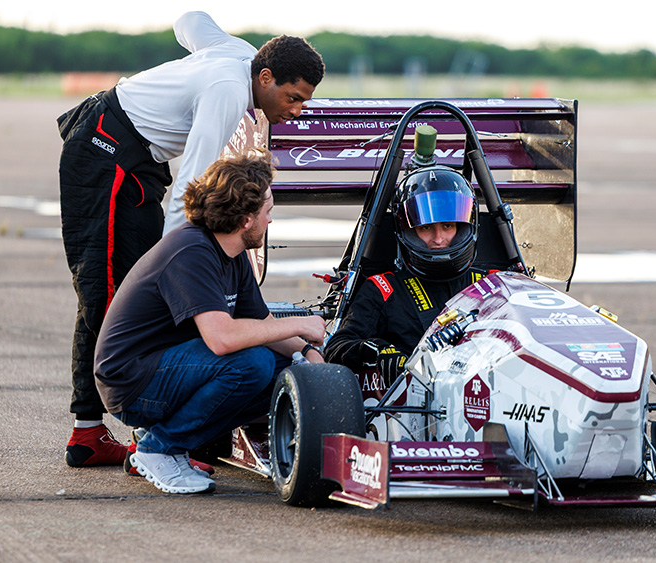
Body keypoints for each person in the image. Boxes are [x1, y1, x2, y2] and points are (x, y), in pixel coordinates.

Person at [58, 11, 324, 468]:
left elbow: (191, 20)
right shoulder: (228, 92)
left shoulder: (239, 54)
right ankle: (90, 432)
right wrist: (179, 266)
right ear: (265, 77)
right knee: (103, 289)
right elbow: (189, 191)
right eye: (293, 97)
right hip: (103, 153)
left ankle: (154, 425)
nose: (297, 110)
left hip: (139, 162)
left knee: (134, 291)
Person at [94, 151, 326, 494]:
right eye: (268, 212)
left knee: (283, 370)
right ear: (246, 219)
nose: (270, 222)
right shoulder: (192, 252)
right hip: (131, 383)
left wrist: (308, 354)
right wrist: (298, 324)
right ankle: (160, 448)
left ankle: (164, 438)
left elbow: (259, 323)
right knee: (252, 363)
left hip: (168, 368)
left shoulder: (231, 253)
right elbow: (222, 340)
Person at [325, 165, 481, 383]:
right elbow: (335, 349)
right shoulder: (383, 289)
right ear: (408, 231)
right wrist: (377, 351)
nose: (438, 239)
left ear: (464, 226)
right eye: (426, 228)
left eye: (447, 226)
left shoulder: (490, 284)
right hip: (414, 405)